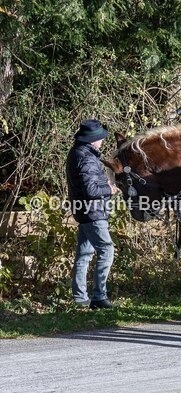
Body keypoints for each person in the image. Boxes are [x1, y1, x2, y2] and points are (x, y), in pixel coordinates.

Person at [66, 119, 116, 309]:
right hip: (93, 211)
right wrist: (110, 189)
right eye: (100, 138)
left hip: (84, 211)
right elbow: (92, 190)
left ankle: (80, 297)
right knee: (107, 249)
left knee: (84, 254)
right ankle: (99, 296)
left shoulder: (78, 152)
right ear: (92, 140)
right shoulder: (86, 157)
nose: (102, 141)